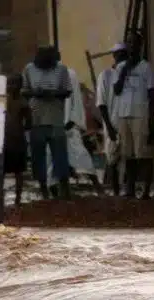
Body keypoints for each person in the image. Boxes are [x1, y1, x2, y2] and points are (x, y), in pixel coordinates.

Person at [47, 50, 103, 197]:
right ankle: (60, 193)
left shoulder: (69, 74)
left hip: (68, 125)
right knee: (53, 160)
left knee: (81, 156)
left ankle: (99, 188)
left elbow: (75, 99)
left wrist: (73, 120)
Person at [21, 45, 73, 199]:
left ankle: (64, 189)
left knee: (60, 156)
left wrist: (54, 93)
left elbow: (68, 90)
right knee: (38, 157)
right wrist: (36, 93)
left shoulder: (62, 69)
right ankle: (43, 189)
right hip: (36, 118)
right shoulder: (29, 69)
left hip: (56, 119)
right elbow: (23, 90)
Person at [113, 33, 154, 199]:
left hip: (140, 115)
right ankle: (130, 189)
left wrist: (151, 119)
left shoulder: (146, 67)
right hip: (124, 115)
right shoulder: (120, 67)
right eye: (129, 43)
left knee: (144, 154)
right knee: (128, 155)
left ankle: (145, 190)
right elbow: (117, 90)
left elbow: (152, 94)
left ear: (140, 45)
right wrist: (124, 70)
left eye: (135, 43)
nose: (131, 46)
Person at [97, 43, 129, 196]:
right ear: (114, 56)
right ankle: (116, 192)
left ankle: (125, 192)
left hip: (128, 122)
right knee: (112, 160)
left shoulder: (130, 75)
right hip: (113, 123)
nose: (122, 57)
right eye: (119, 54)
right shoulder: (105, 75)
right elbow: (101, 103)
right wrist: (109, 127)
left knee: (128, 159)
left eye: (124, 54)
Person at [3, 74, 31, 206]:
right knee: (1, 171)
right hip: (4, 142)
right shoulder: (2, 100)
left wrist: (19, 129)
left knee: (19, 172)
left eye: (14, 83)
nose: (10, 86)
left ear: (20, 86)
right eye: (9, 83)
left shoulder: (23, 102)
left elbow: (29, 122)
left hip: (18, 141)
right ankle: (1, 198)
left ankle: (18, 199)